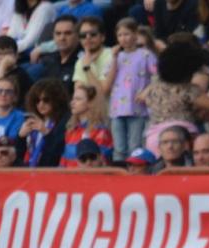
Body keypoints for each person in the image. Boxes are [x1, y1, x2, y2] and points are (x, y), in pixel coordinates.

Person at [106, 17, 156, 160]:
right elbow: (108, 79)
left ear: (135, 34)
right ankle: (119, 171)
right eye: (120, 35)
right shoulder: (116, 56)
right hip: (117, 109)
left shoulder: (145, 54)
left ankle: (135, 170)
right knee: (119, 148)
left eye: (127, 34)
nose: (123, 38)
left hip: (137, 108)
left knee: (134, 146)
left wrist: (147, 91)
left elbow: (158, 76)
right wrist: (114, 58)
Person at [60, 81, 112, 166]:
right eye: (73, 99)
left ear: (90, 103)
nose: (72, 103)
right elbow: (63, 162)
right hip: (69, 174)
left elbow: (101, 163)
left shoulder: (100, 131)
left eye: (78, 99)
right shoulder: (71, 130)